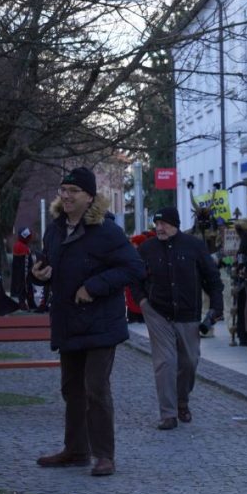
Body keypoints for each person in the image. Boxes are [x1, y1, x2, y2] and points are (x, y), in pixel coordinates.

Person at [32, 167, 144, 477]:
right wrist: (39, 273)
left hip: (100, 323)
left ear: (90, 197)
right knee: (71, 389)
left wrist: (93, 287)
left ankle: (104, 455)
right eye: (63, 189)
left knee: (95, 388)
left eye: (73, 191)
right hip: (68, 321)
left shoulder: (107, 231)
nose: (66, 195)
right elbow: (47, 262)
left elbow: (133, 268)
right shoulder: (54, 229)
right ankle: (76, 450)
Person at [131, 207, 224, 430]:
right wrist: (142, 301)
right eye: (157, 224)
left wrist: (216, 306)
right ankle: (168, 414)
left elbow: (212, 278)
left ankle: (182, 401)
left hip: (188, 313)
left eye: (164, 224)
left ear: (175, 224)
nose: (159, 228)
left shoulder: (194, 246)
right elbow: (134, 277)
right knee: (165, 362)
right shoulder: (147, 248)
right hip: (157, 312)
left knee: (189, 362)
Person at [10, 227, 35, 310]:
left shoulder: (18, 245)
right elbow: (25, 265)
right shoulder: (22, 247)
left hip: (19, 274)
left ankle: (24, 303)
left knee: (21, 285)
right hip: (24, 273)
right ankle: (26, 303)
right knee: (25, 285)